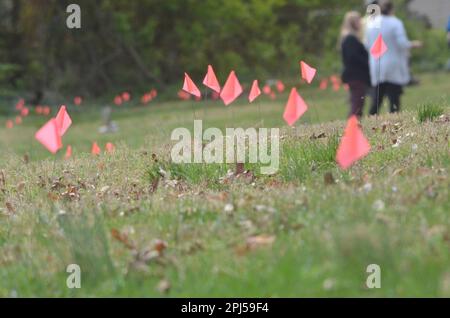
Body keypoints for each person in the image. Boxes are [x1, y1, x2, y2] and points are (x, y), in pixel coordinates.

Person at [365, 0, 422, 115]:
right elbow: (402, 43)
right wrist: (413, 44)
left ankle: (370, 118)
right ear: (392, 9)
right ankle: (394, 118)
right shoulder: (395, 22)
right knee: (394, 96)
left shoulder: (372, 23)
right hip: (393, 63)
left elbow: (367, 45)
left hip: (377, 63)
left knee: (377, 97)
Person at [340, 11, 371, 118]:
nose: (361, 23)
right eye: (358, 21)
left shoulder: (350, 38)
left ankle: (354, 126)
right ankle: (352, 127)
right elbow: (353, 57)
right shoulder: (350, 39)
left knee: (358, 102)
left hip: (355, 75)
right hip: (355, 76)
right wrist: (368, 62)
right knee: (357, 104)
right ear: (353, 23)